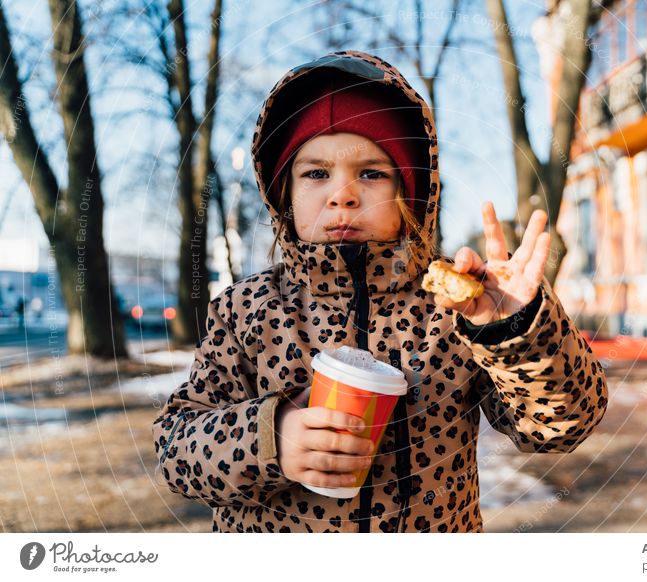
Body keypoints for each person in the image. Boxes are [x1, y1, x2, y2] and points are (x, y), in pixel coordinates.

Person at [152, 50, 608, 533]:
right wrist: (270, 439)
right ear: (283, 192)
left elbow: (562, 426)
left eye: (371, 173)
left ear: (410, 193)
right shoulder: (246, 311)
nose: (343, 194)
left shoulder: (457, 309)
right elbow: (176, 450)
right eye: (315, 173)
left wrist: (513, 331)